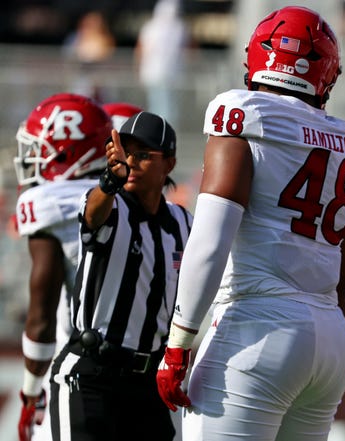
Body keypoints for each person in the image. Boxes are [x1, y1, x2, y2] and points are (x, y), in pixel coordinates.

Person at [155, 6, 345, 441]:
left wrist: (178, 343)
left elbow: (211, 240)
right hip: (329, 337)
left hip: (258, 327)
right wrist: (331, 322)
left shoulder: (242, 112)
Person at [48, 111, 193, 441]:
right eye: (125, 152)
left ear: (169, 164)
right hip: (93, 374)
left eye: (142, 155)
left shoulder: (183, 223)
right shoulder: (113, 205)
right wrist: (107, 183)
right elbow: (93, 214)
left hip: (147, 383)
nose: (130, 162)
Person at [13, 93, 113, 441]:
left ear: (68, 151)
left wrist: (29, 394)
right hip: (146, 371)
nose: (32, 157)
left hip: (80, 370)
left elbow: (40, 320)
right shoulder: (137, 199)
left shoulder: (48, 203)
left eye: (40, 148)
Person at [135, 0, 189, 128]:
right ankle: (163, 132)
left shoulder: (151, 27)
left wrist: (138, 69)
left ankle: (159, 132)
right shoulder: (180, 28)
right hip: (166, 74)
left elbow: (140, 49)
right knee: (165, 107)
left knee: (161, 106)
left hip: (159, 73)